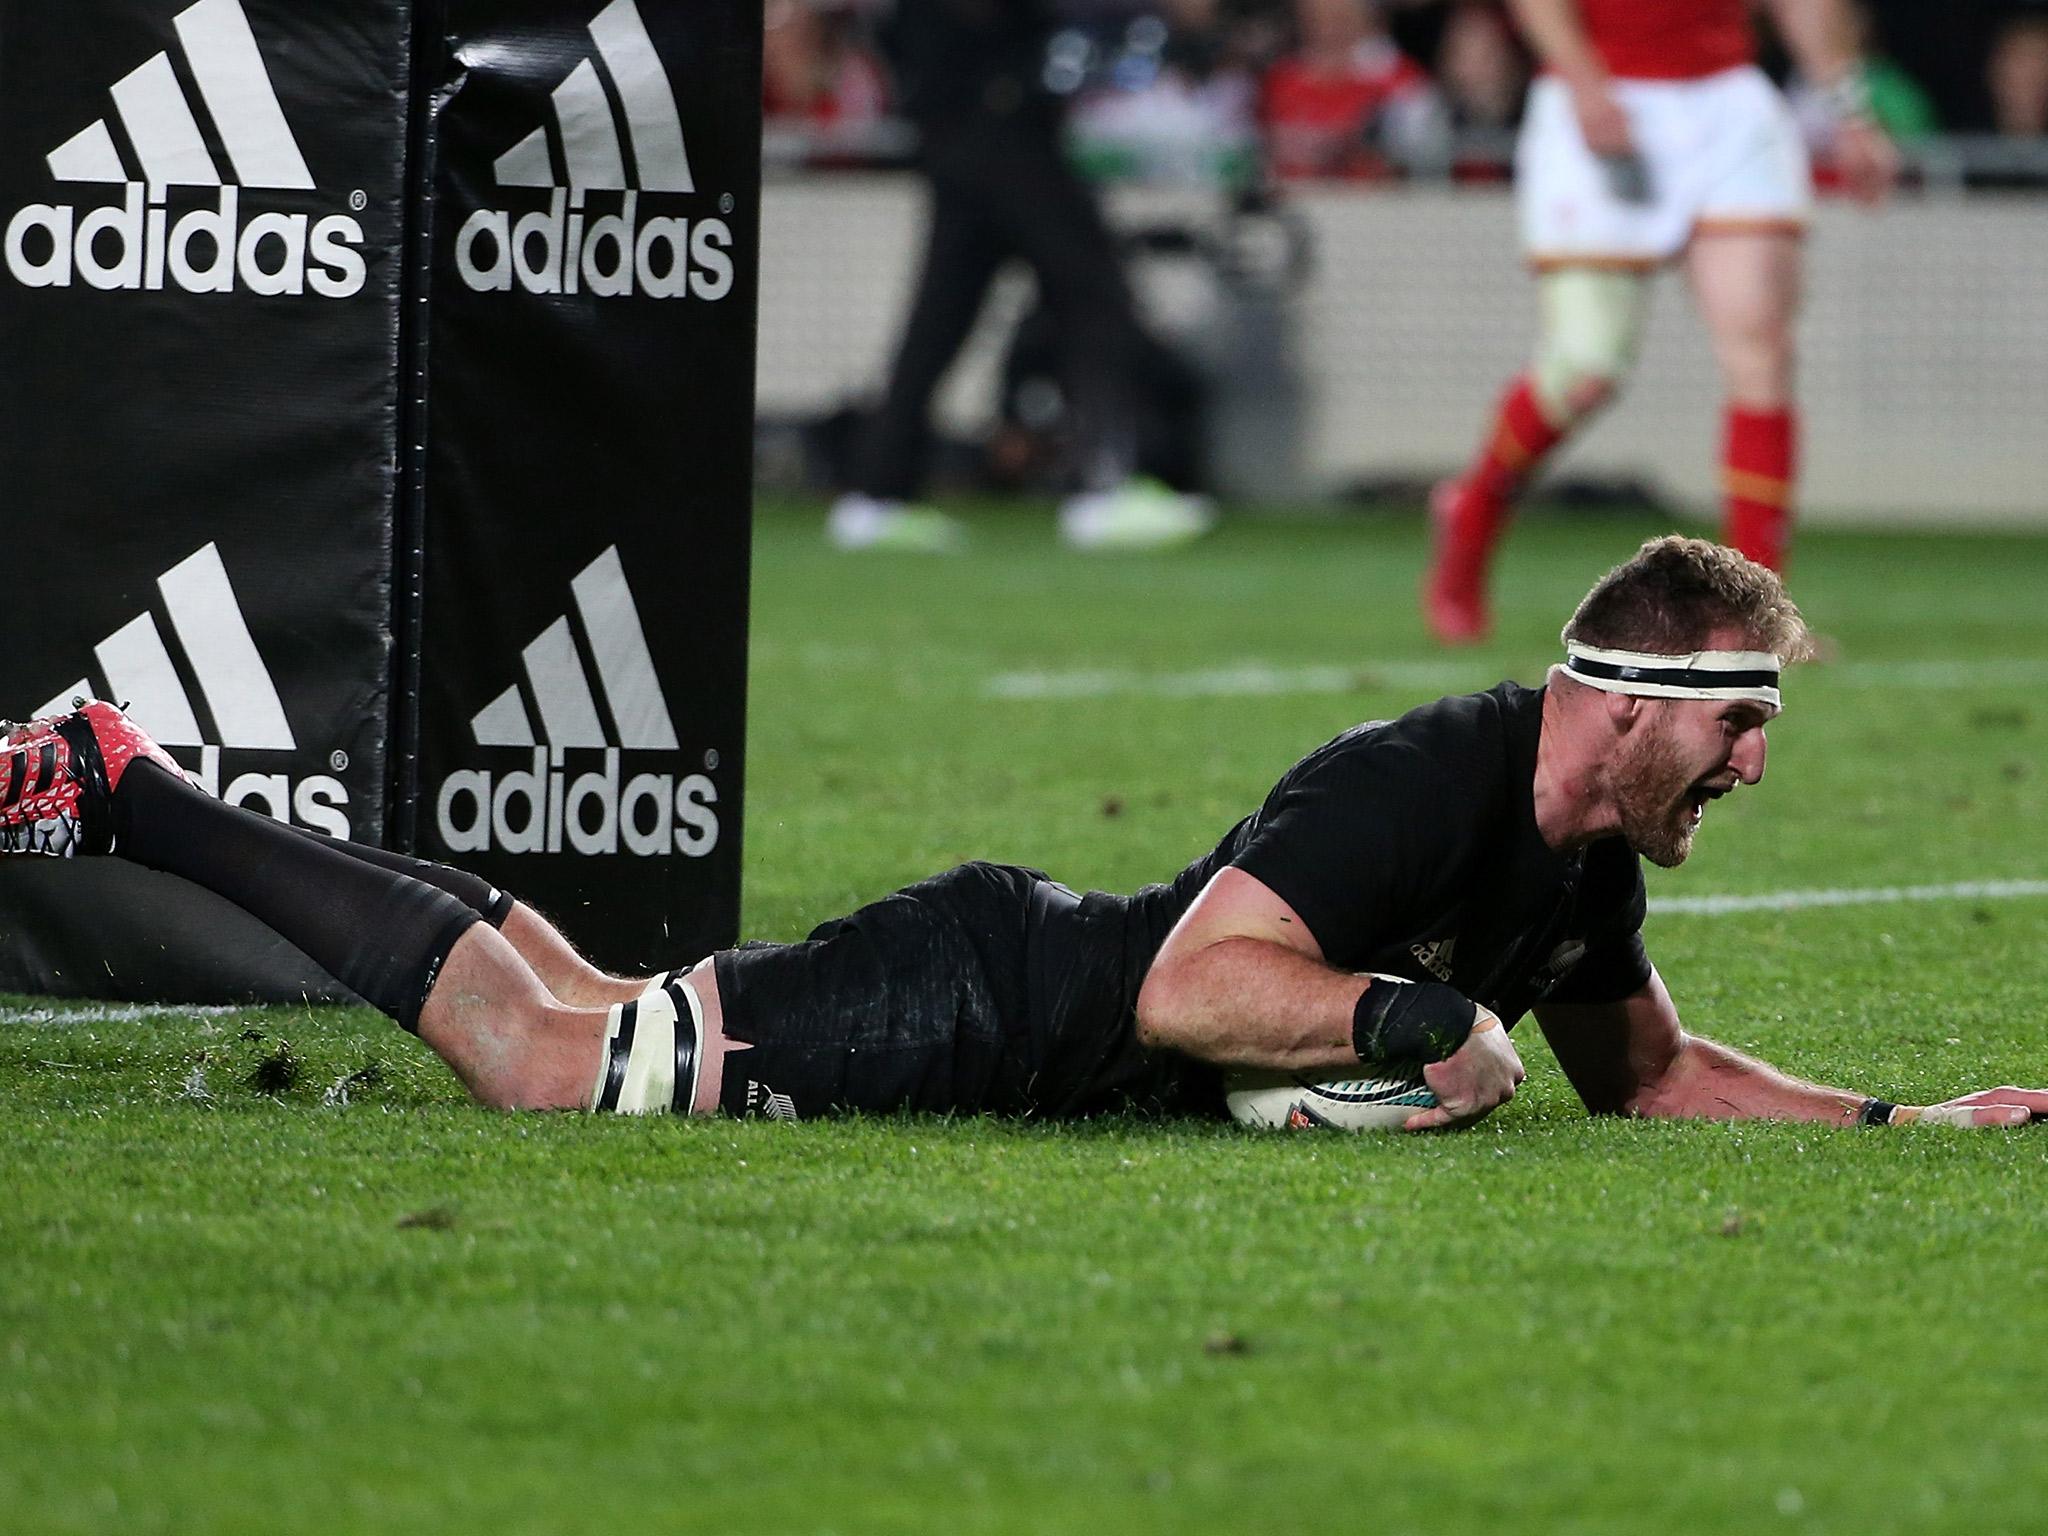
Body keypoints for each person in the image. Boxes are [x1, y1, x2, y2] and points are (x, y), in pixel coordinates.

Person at [6, 538, 2042, 1131]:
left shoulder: (1587, 863)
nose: (1756, 773)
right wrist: (1425, 1032)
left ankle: (123, 775)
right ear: (1630, 704)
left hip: (1002, 997)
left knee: (587, 999)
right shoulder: (1424, 771)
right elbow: (1189, 990)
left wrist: (1895, 1127)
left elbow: (1658, 1076)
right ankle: (132, 784)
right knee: (553, 1065)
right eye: (1741, 728)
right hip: (991, 1007)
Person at [1422, 0, 1902, 645]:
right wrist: (1586, 85)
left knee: (1763, 350)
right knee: (1585, 371)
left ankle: (1757, 617)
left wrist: (1849, 112)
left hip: (1726, 105)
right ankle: (1474, 509)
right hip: (1599, 88)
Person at [824, 0, 1215, 554]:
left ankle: (874, 496)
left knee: (940, 320)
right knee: (1094, 295)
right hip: (1003, 124)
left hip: (960, 124)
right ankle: (1101, 487)